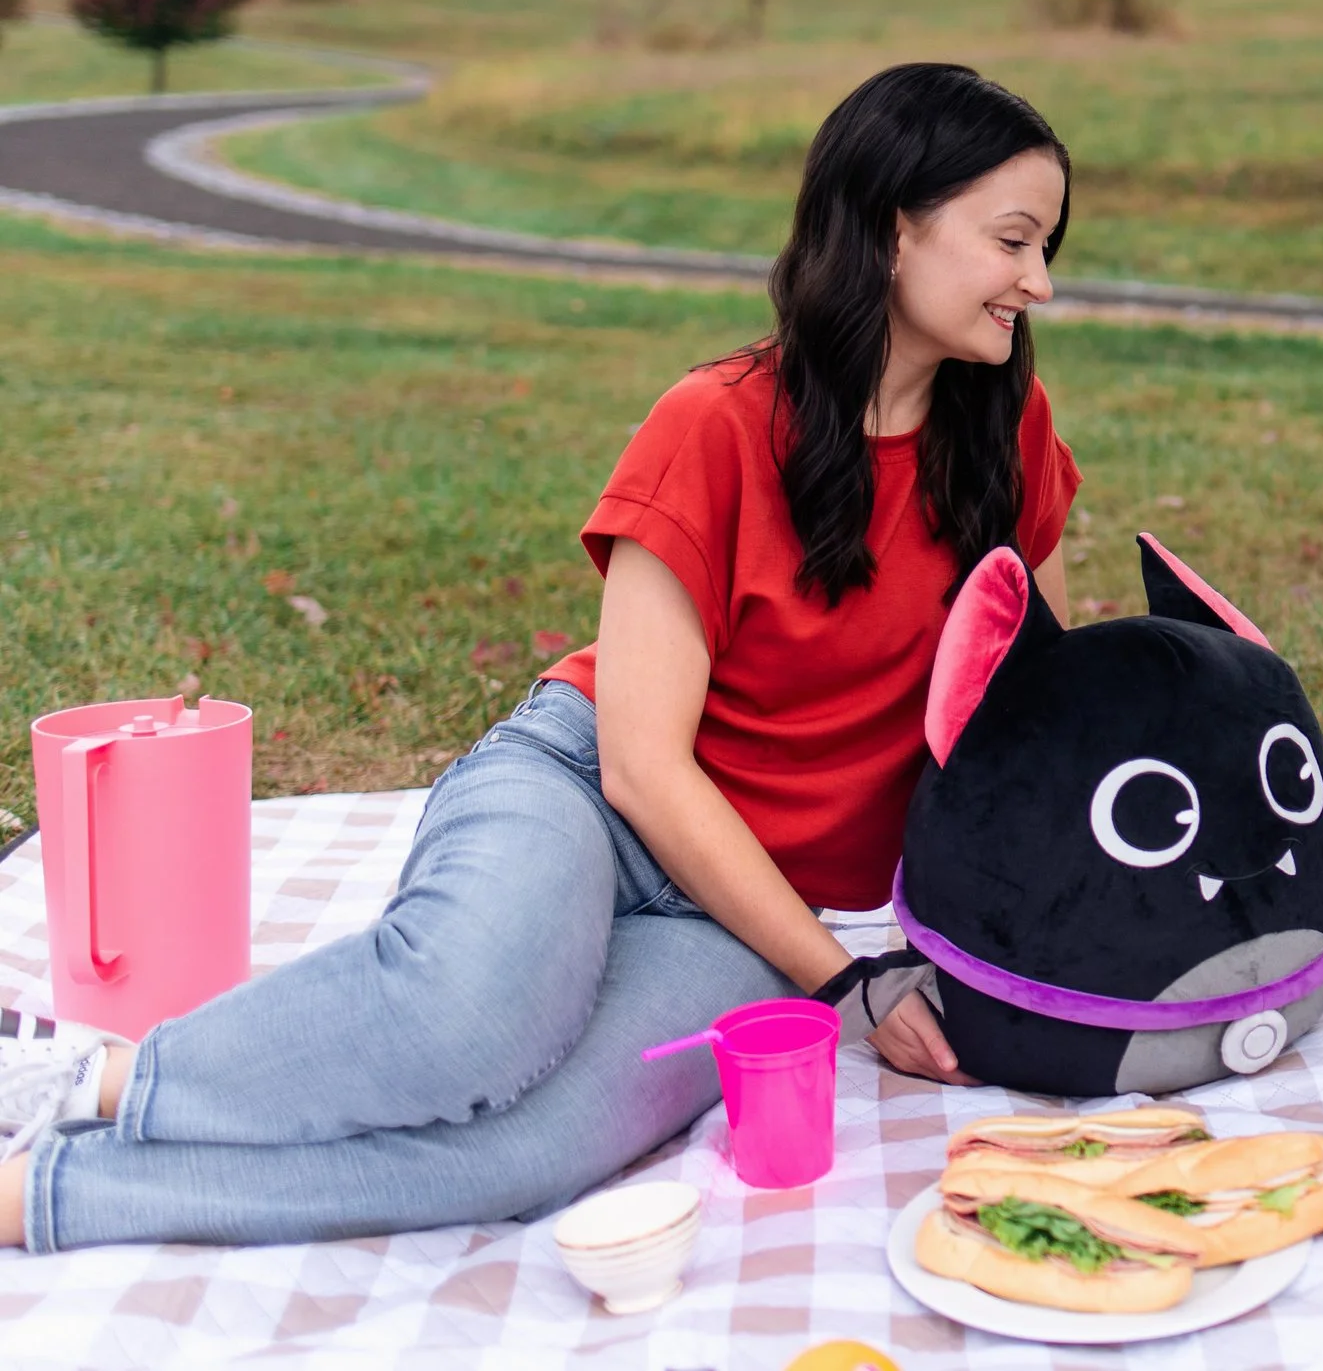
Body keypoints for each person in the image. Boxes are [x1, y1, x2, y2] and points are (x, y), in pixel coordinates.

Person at [0, 63, 1084, 1248]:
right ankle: (80, 1080)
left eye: (1045, 247)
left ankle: (46, 1197)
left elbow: (1040, 714)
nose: (1037, 281)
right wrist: (847, 980)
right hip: (588, 793)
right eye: (1012, 241)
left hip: (751, 911)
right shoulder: (715, 424)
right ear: (890, 228)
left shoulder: (1007, 442)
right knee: (462, 1027)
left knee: (531, 1149)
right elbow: (642, 767)